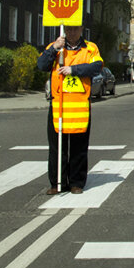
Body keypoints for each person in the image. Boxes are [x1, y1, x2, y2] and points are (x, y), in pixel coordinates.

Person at [37, 25, 103, 195]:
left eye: (75, 30)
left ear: (81, 30)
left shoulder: (90, 48)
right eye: (69, 30)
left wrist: (73, 70)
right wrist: (54, 48)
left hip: (80, 106)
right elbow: (42, 65)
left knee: (78, 148)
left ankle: (76, 183)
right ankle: (57, 183)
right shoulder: (56, 47)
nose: (71, 33)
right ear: (64, 30)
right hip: (58, 106)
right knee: (57, 148)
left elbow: (96, 67)